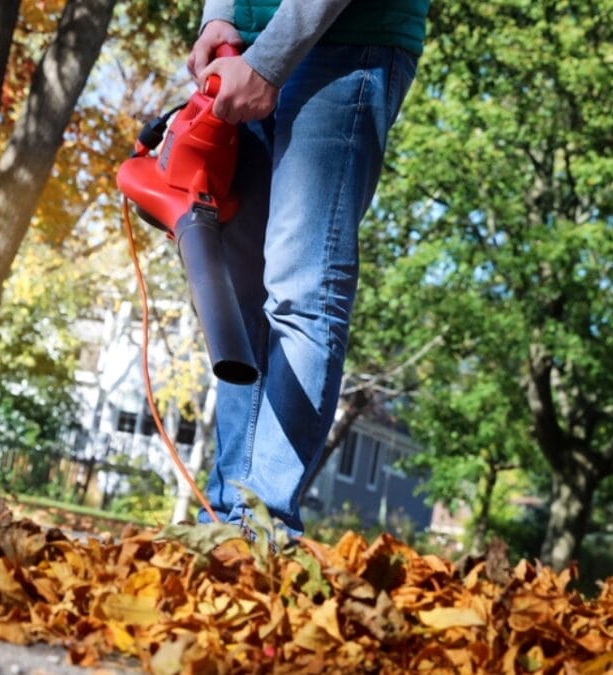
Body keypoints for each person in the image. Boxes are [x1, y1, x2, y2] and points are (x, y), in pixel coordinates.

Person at [186, 1, 429, 538]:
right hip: (243, 50)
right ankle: (223, 517)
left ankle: (262, 523)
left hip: (347, 41)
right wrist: (219, 18)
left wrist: (269, 62)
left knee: (301, 287)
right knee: (239, 294)